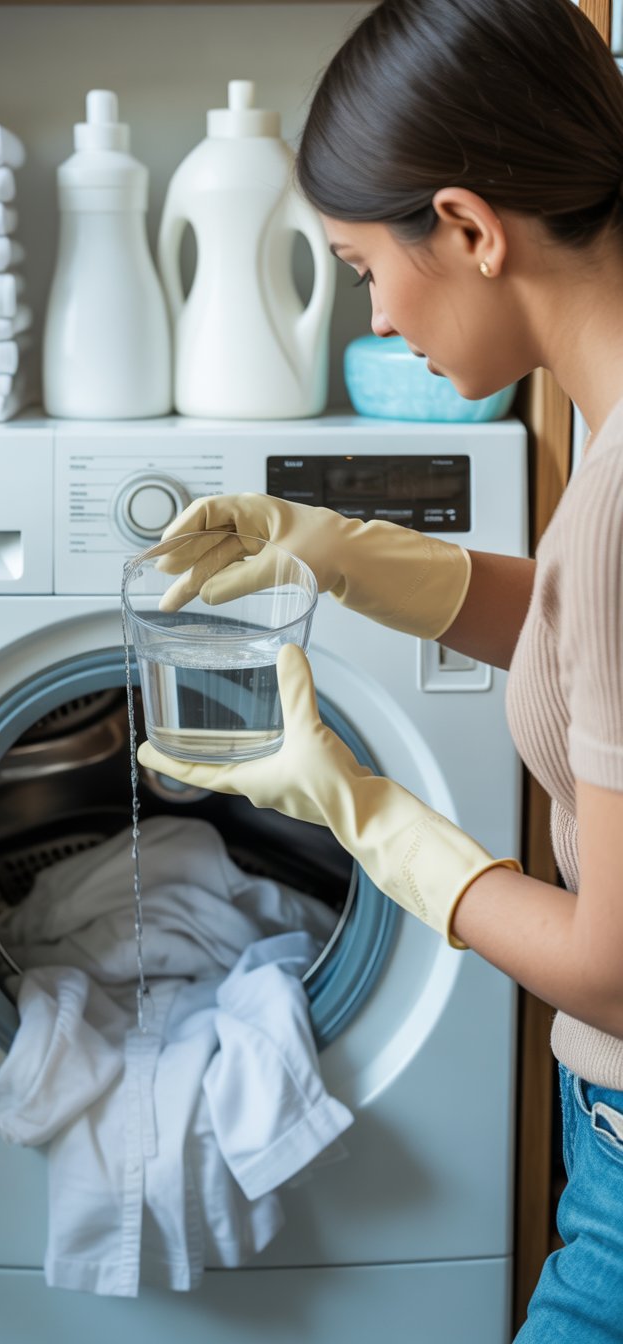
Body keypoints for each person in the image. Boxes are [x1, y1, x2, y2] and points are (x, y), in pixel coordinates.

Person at [137, 1, 623, 1337]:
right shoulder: (606, 405)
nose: (371, 309)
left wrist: (358, 810)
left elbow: (613, 966)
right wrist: (339, 550)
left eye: (360, 266)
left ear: (468, 229)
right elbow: (588, 629)